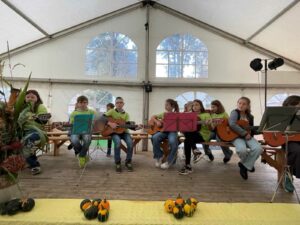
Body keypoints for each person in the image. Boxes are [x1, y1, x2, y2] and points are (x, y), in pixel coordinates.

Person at [229, 97, 262, 180]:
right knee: (241, 150)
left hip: (247, 136)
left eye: (244, 104)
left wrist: (261, 131)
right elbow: (232, 124)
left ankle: (244, 165)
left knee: (258, 148)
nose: (241, 105)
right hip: (236, 136)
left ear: (248, 106)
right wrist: (244, 134)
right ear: (237, 104)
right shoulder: (235, 112)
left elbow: (251, 130)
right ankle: (248, 164)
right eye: (239, 103)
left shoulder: (250, 116)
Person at [179, 99, 214, 175]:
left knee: (187, 137)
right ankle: (193, 155)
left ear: (201, 106)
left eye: (196, 105)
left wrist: (208, 124)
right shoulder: (190, 115)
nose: (194, 106)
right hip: (191, 135)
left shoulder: (206, 115)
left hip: (203, 135)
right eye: (193, 105)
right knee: (187, 139)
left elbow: (212, 129)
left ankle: (188, 165)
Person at [21, 90, 49, 175]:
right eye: (28, 97)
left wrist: (34, 117)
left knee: (27, 144)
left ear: (37, 99)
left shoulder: (40, 107)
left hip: (37, 131)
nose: (30, 99)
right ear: (24, 99)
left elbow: (44, 121)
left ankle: (34, 165)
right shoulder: (21, 108)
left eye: (32, 97)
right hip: (23, 132)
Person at [104, 97, 134, 173]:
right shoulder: (111, 111)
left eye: (121, 102)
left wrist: (135, 127)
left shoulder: (126, 114)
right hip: (114, 132)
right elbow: (102, 117)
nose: (119, 104)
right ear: (115, 104)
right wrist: (110, 123)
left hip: (124, 132)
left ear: (123, 104)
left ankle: (128, 161)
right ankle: (117, 163)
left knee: (130, 144)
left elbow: (127, 125)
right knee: (117, 143)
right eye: (117, 102)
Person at [151, 99, 179, 169]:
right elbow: (153, 116)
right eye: (165, 105)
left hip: (172, 132)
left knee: (173, 142)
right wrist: (156, 121)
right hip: (163, 131)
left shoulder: (177, 115)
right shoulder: (163, 114)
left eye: (167, 105)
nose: (165, 106)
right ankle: (159, 156)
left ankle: (169, 161)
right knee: (154, 137)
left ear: (172, 106)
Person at [69, 95, 95, 168]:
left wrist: (93, 122)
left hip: (87, 131)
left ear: (87, 103)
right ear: (78, 103)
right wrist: (72, 123)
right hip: (76, 131)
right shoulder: (74, 113)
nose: (83, 104)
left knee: (87, 140)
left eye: (84, 102)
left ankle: (81, 156)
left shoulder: (91, 112)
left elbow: (96, 120)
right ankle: (83, 155)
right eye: (80, 102)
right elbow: (71, 123)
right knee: (74, 140)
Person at [282, 95, 300, 192]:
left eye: (299, 106)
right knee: (297, 150)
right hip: (288, 140)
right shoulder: (281, 115)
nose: (297, 108)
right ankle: (288, 175)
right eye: (294, 106)